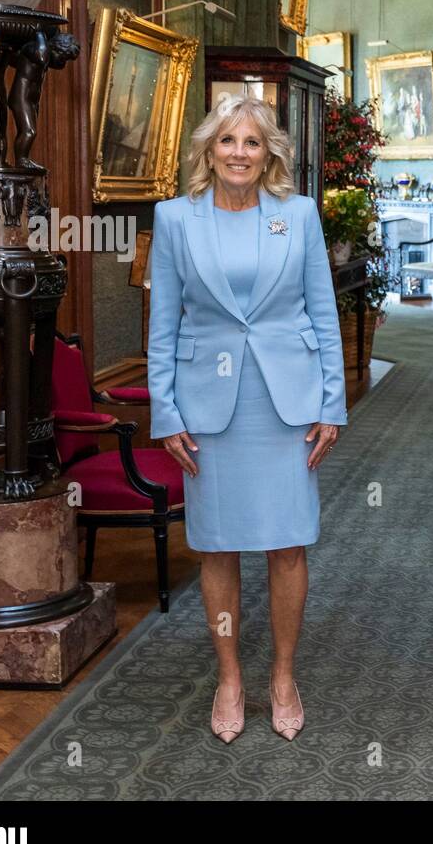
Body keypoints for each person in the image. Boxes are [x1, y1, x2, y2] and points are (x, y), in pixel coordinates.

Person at [147, 95, 347, 744]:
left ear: (269, 156)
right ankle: (230, 677)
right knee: (217, 546)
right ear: (208, 150)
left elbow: (322, 312)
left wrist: (331, 404)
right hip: (209, 409)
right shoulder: (175, 220)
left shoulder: (299, 216)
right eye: (227, 140)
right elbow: (163, 326)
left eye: (252, 142)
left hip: (287, 405)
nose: (239, 152)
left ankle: (283, 675)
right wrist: (166, 411)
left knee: (288, 544)